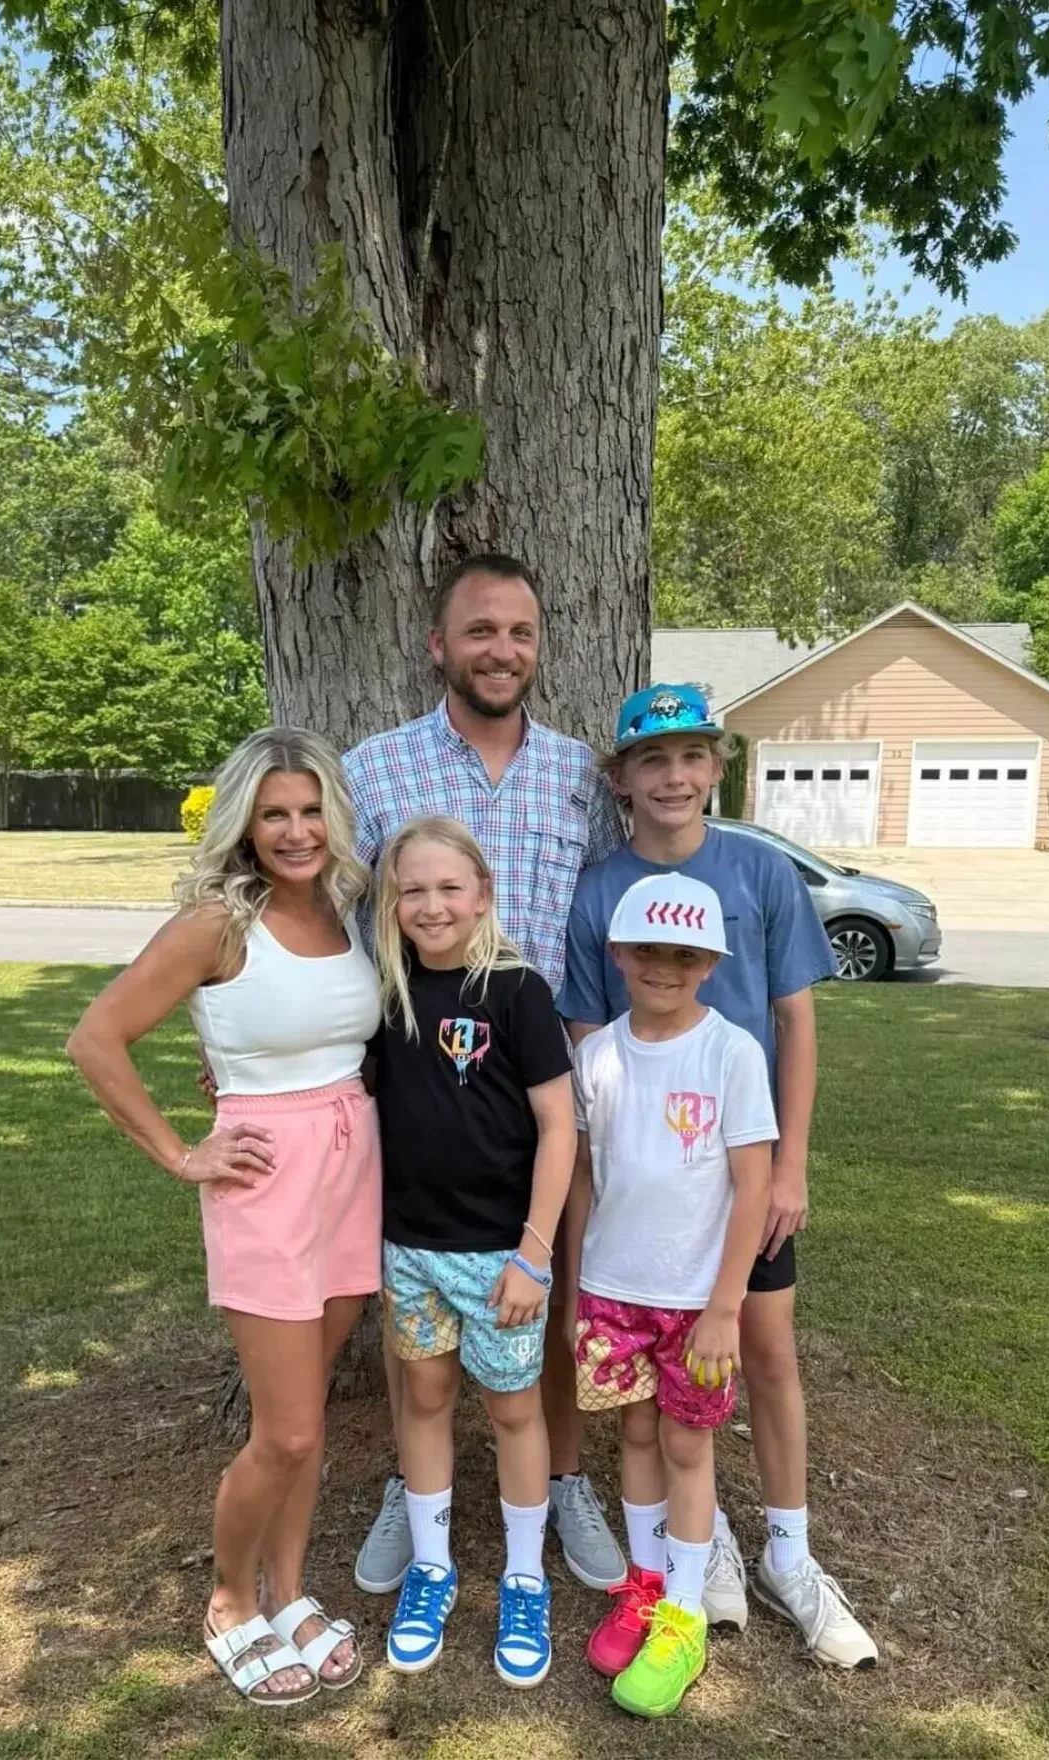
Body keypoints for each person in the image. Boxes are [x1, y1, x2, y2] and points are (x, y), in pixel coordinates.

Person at [560, 683, 879, 1669]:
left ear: (715, 766)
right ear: (621, 777)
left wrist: (789, 1161)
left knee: (762, 1351)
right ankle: (701, 1564)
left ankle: (790, 1550)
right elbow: (585, 1045)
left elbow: (793, 1020)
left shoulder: (758, 870)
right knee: (654, 1415)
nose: (673, 775)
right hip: (641, 1206)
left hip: (739, 1172)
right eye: (651, 759)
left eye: (691, 756)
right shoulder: (597, 890)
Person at [66, 727, 381, 1709]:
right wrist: (179, 1149)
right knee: (281, 1432)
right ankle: (226, 1599)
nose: (294, 830)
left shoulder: (346, 911)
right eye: (272, 813)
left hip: (350, 1164)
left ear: (333, 813)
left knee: (312, 1410)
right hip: (264, 1179)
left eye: (308, 809)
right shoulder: (216, 923)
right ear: (245, 822)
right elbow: (96, 1037)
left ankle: (289, 1593)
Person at [345, 552, 628, 1599]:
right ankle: (402, 1482)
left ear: (537, 642)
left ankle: (559, 1477)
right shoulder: (373, 771)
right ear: (437, 645)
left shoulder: (576, 777)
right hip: (419, 1077)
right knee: (406, 1277)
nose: (499, 649)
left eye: (517, 630)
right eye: (478, 631)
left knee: (546, 1284)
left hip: (549, 1078)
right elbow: (336, 925)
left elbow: (602, 922)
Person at [564, 871, 779, 1718]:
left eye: (684, 954)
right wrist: (579, 1282)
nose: (664, 966)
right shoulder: (595, 1054)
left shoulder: (731, 1052)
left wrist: (726, 1304)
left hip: (697, 1305)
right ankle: (646, 1588)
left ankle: (684, 1615)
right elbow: (585, 1175)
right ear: (618, 953)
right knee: (639, 1436)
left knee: (690, 1450)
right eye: (647, 950)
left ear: (710, 963)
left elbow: (752, 1187)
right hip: (613, 1292)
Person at [368, 816, 577, 1686]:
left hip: (500, 1258)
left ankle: (525, 1579)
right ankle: (432, 1565)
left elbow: (559, 1126)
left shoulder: (519, 992)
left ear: (483, 895)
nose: (431, 905)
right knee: (423, 1396)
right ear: (393, 901)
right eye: (412, 889)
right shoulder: (384, 993)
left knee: (513, 1409)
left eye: (450, 888)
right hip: (410, 1249)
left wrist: (534, 1255)